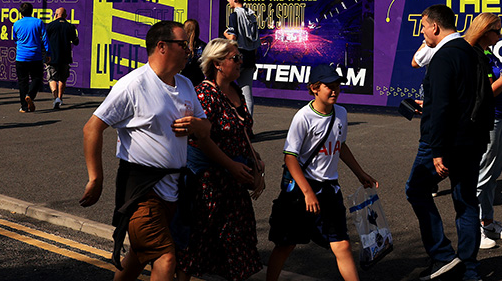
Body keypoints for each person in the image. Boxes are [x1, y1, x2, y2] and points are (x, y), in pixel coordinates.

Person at [80, 20, 213, 281]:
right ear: (162, 47)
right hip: (142, 188)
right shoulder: (133, 84)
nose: (189, 50)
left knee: (139, 255)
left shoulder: (186, 85)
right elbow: (92, 128)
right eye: (183, 45)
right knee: (166, 258)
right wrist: (96, 178)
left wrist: (198, 124)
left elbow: (206, 128)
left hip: (175, 189)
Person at [265, 63, 377, 281]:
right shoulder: (303, 117)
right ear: (315, 88)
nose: (334, 90)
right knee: (286, 245)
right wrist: (307, 192)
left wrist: (360, 173)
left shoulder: (341, 113)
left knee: (342, 245)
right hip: (301, 191)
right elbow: (290, 157)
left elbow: (341, 145)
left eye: (337, 85)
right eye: (329, 86)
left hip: (330, 190)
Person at [405, 4, 490, 281]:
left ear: (435, 27)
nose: (422, 32)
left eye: (423, 26)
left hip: (441, 142)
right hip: (472, 141)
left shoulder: (443, 57)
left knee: (416, 190)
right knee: (466, 202)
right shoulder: (474, 52)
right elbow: (477, 99)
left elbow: (442, 107)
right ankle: (469, 269)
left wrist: (438, 150)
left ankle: (443, 255)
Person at [178, 38, 265, 281]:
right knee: (195, 248)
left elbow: (242, 133)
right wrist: (231, 165)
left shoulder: (236, 90)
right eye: (235, 58)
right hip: (209, 185)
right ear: (217, 63)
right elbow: (202, 140)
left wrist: (256, 162)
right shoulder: (205, 94)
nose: (240, 62)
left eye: (240, 58)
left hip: (234, 186)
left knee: (237, 248)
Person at [466, 13, 502, 250]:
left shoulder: (488, 53)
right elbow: (488, 91)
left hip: (499, 118)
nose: (501, 34)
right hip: (488, 120)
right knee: (483, 174)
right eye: (497, 30)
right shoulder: (476, 54)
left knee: (493, 173)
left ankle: (487, 221)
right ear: (485, 31)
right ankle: (475, 227)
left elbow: (496, 86)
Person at [226, 0, 260, 117]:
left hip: (238, 58)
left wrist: (226, 35)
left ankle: (228, 123)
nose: (229, 0)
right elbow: (256, 42)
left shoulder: (234, 15)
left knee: (224, 88)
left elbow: (233, 38)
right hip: (250, 58)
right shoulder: (251, 15)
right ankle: (248, 125)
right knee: (247, 93)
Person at [12, 3, 49, 113]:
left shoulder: (16, 24)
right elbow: (45, 39)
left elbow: (15, 39)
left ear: (20, 12)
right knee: (37, 78)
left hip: (21, 57)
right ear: (32, 11)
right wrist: (48, 53)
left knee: (22, 82)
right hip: (35, 56)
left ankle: (24, 107)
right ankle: (30, 96)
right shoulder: (38, 22)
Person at [46, 7, 79, 109]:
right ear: (65, 16)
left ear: (55, 15)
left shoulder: (50, 26)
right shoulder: (70, 26)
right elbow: (75, 42)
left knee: (52, 78)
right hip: (65, 57)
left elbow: (44, 40)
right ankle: (60, 98)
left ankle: (55, 98)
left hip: (52, 57)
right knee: (63, 78)